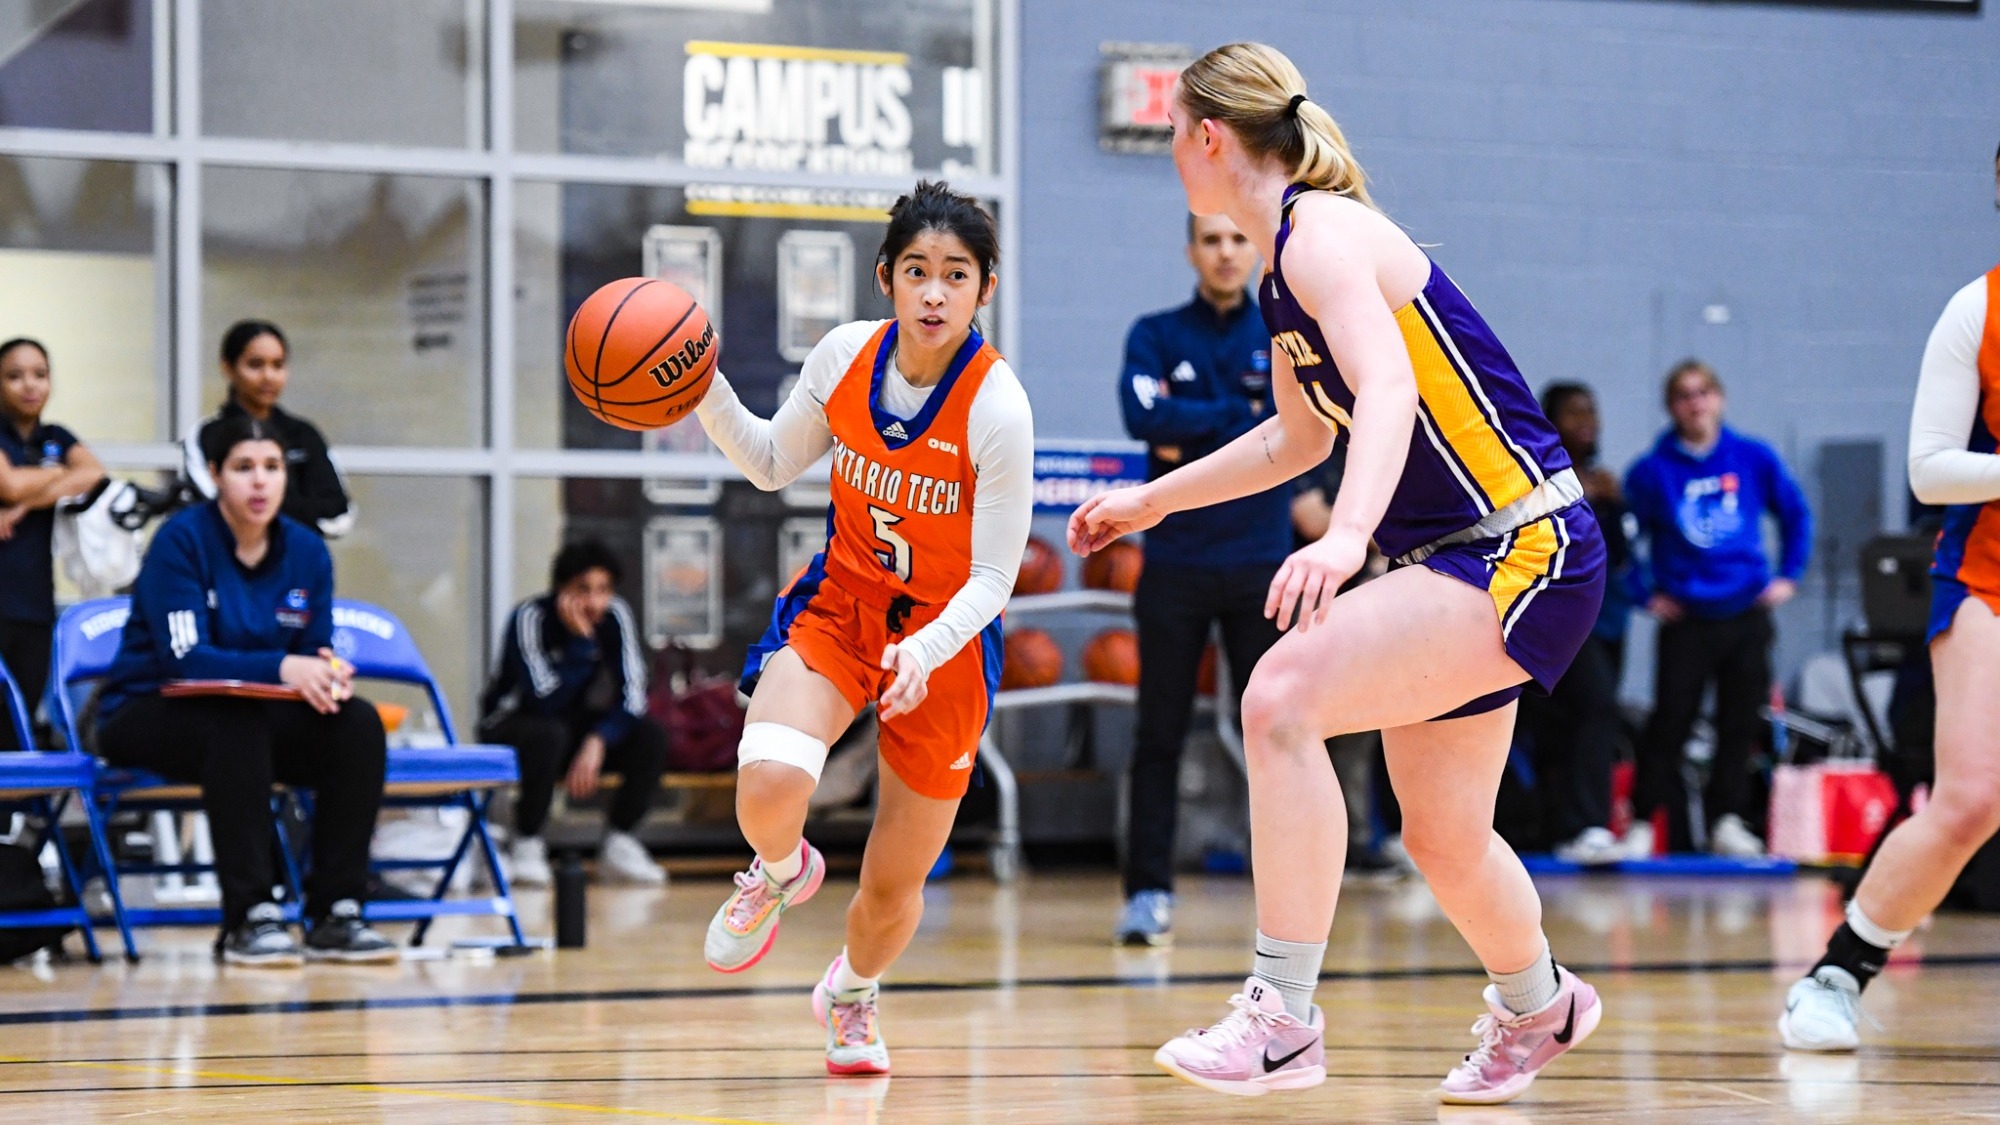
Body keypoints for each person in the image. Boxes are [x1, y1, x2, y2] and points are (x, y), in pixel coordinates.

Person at [1071, 43, 1609, 1103]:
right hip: (1462, 551)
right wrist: (1151, 500)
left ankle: (1280, 1017)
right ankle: (1539, 1002)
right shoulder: (1282, 263)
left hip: (1517, 545)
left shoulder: (1320, 236)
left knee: (1277, 697)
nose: (1171, 147)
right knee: (1446, 838)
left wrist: (1341, 538)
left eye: (1174, 129)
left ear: (1208, 137)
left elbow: (1389, 389)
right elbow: (1292, 440)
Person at [690, 181, 1033, 1076]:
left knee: (889, 891)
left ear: (982, 289)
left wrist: (923, 648)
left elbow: (995, 575)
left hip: (945, 641)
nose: (933, 293)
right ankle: (777, 870)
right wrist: (702, 388)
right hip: (844, 603)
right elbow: (768, 461)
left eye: (955, 276)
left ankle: (851, 992)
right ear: (885, 277)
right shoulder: (846, 356)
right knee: (767, 779)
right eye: (916, 270)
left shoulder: (998, 408)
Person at [1780, 146, 2000, 1052]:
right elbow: (1930, 468)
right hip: (1987, 574)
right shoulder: (1976, 308)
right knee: (1971, 799)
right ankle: (1836, 974)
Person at [93, 414, 394, 966]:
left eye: (273, 468)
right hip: (150, 708)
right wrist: (284, 668)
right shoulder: (180, 541)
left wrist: (327, 675)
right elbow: (186, 661)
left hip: (251, 720)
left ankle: (338, 911)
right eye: (244, 468)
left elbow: (315, 649)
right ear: (215, 475)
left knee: (357, 726)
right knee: (236, 724)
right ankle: (249, 917)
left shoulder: (306, 551)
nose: (260, 482)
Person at [1113, 211, 1291, 946]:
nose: (1225, 252)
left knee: (1277, 734)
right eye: (1211, 240)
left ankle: (1284, 905)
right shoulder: (1154, 332)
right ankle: (1147, 892)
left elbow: (1297, 425)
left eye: (1236, 239)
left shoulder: (1283, 334)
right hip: (1177, 564)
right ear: (1191, 250)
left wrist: (1192, 426)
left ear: (1254, 249)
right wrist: (1239, 415)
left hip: (1261, 565)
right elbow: (1139, 415)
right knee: (1160, 732)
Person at [1622, 360, 1811, 859]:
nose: (1695, 403)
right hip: (1686, 619)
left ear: (1719, 398)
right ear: (1671, 407)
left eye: (1704, 392)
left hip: (1746, 614)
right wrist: (1644, 596)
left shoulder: (1753, 457)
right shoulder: (1650, 472)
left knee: (1740, 723)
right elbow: (1620, 543)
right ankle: (1643, 821)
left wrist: (1788, 576)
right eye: (1684, 395)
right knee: (1671, 723)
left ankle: (1727, 820)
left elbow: (1795, 513)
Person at [479, 540, 667, 887]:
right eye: (583, 590)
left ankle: (620, 841)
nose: (595, 602)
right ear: (561, 589)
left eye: (604, 590)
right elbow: (542, 700)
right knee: (549, 733)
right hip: (512, 724)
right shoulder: (530, 618)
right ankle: (527, 840)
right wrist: (581, 645)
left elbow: (634, 696)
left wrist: (599, 739)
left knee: (650, 736)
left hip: (570, 728)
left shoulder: (615, 616)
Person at [1520, 383, 1630, 865]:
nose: (1586, 420)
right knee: (1594, 707)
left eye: (1592, 410)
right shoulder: (1535, 474)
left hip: (1604, 622)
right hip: (1553, 617)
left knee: (1580, 719)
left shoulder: (1607, 486)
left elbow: (1621, 558)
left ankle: (1565, 826)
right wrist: (1578, 491)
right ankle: (1584, 823)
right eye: (1573, 412)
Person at [0, 338, 104, 750]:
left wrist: (22, 505)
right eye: (14, 375)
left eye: (40, 374)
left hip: (34, 605)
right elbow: (7, 482)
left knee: (17, 726)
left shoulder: (56, 435)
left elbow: (93, 474)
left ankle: (12, 817)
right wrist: (58, 475)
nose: (30, 385)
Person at [184, 320, 354, 538]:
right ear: (228, 367)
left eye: (278, 365)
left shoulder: (303, 434)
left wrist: (265, 509)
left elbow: (337, 514)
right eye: (255, 365)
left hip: (297, 565)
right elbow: (213, 504)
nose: (268, 376)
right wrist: (299, 511)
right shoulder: (208, 435)